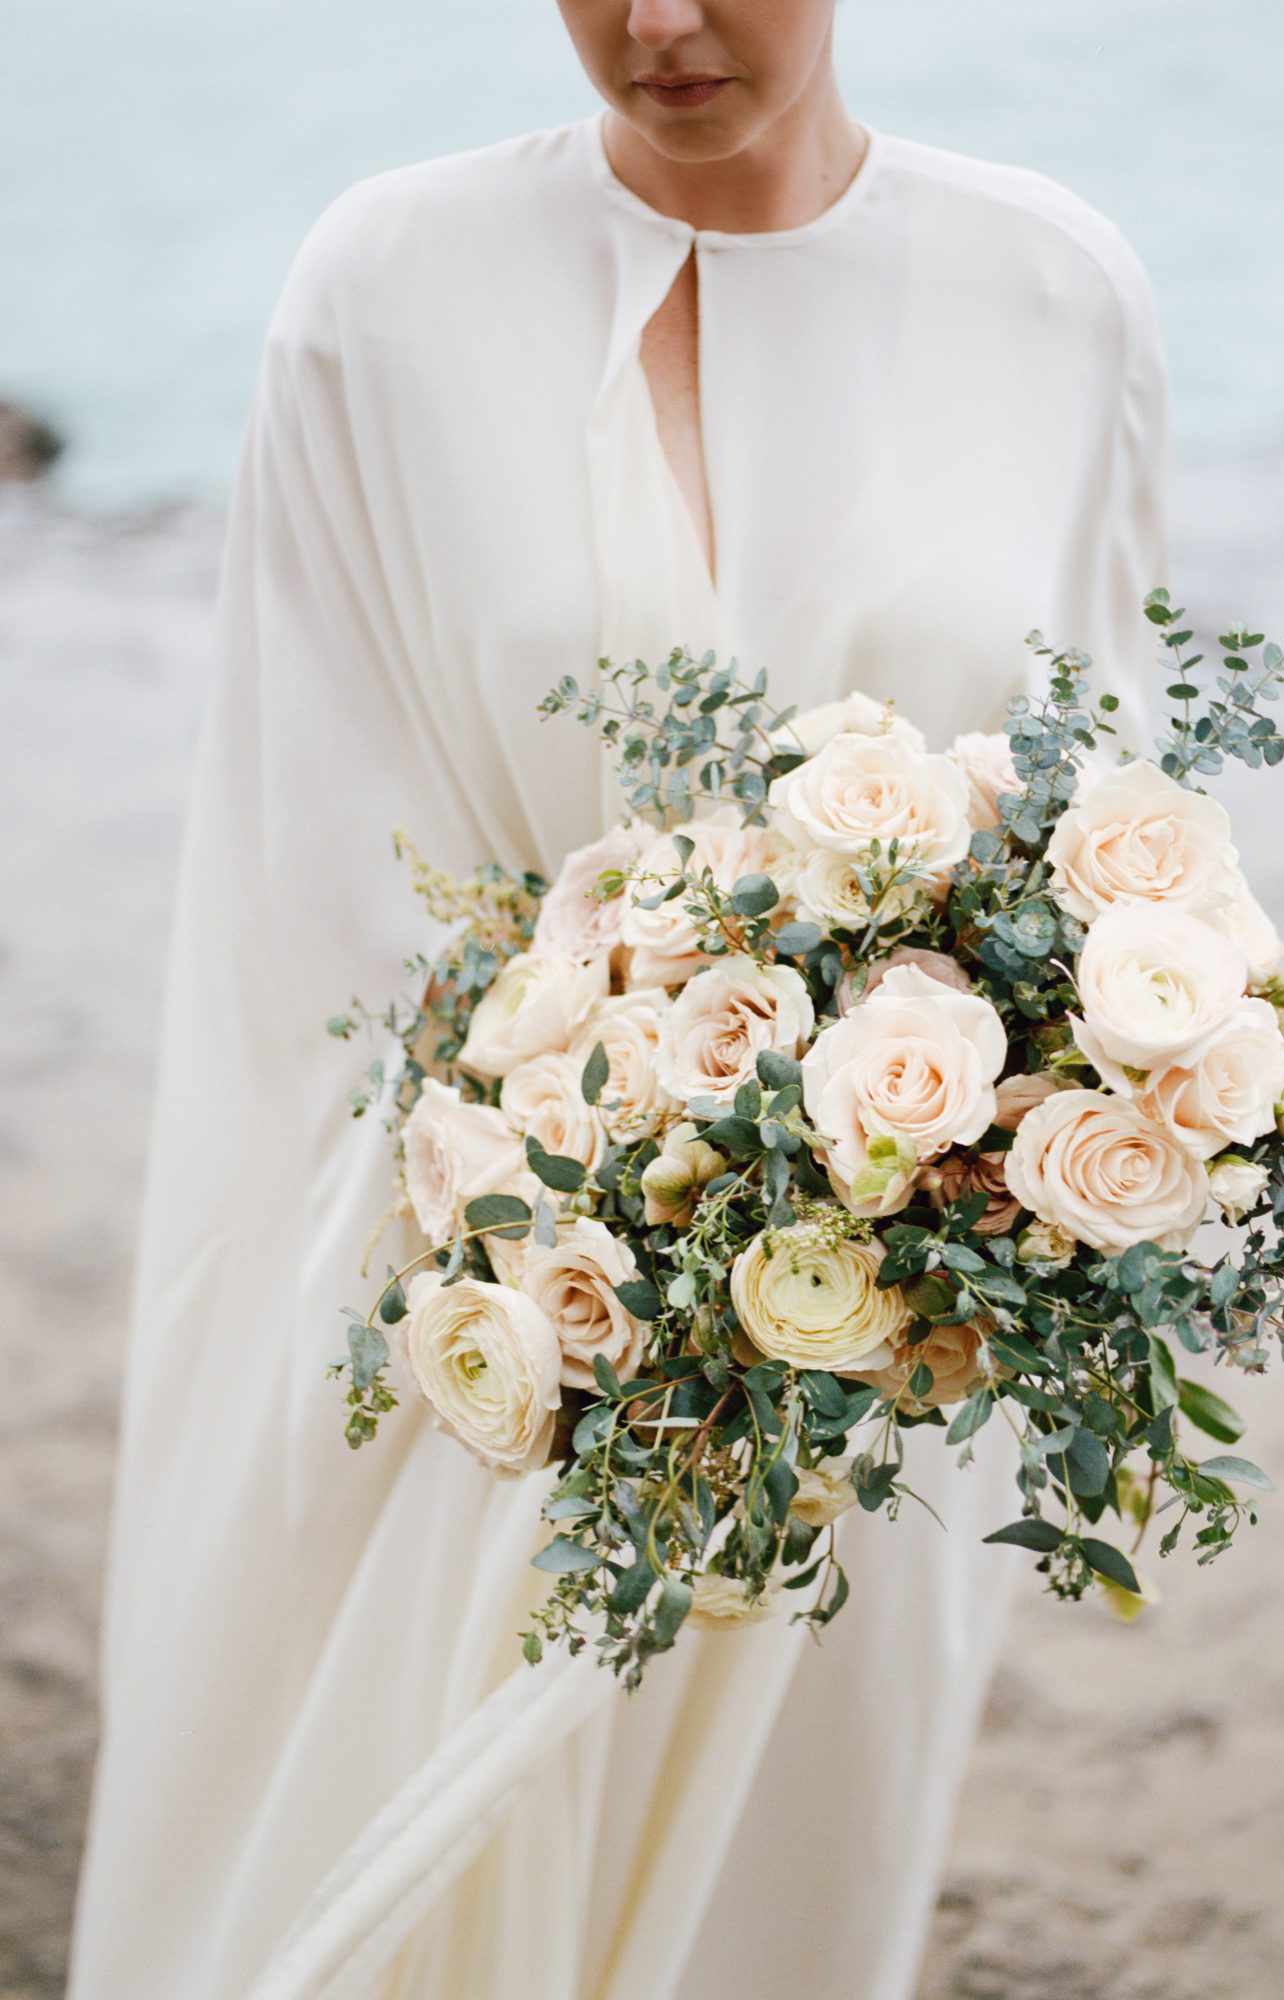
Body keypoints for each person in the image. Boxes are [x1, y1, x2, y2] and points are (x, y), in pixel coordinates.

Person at [68, 2, 1171, 1994]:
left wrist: (970, 1188)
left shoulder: (1052, 297)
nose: (658, 23)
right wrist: (546, 1204)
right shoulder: (382, 292)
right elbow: (302, 870)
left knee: (779, 1889)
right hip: (484, 1273)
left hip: (870, 1306)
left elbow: (1106, 841)